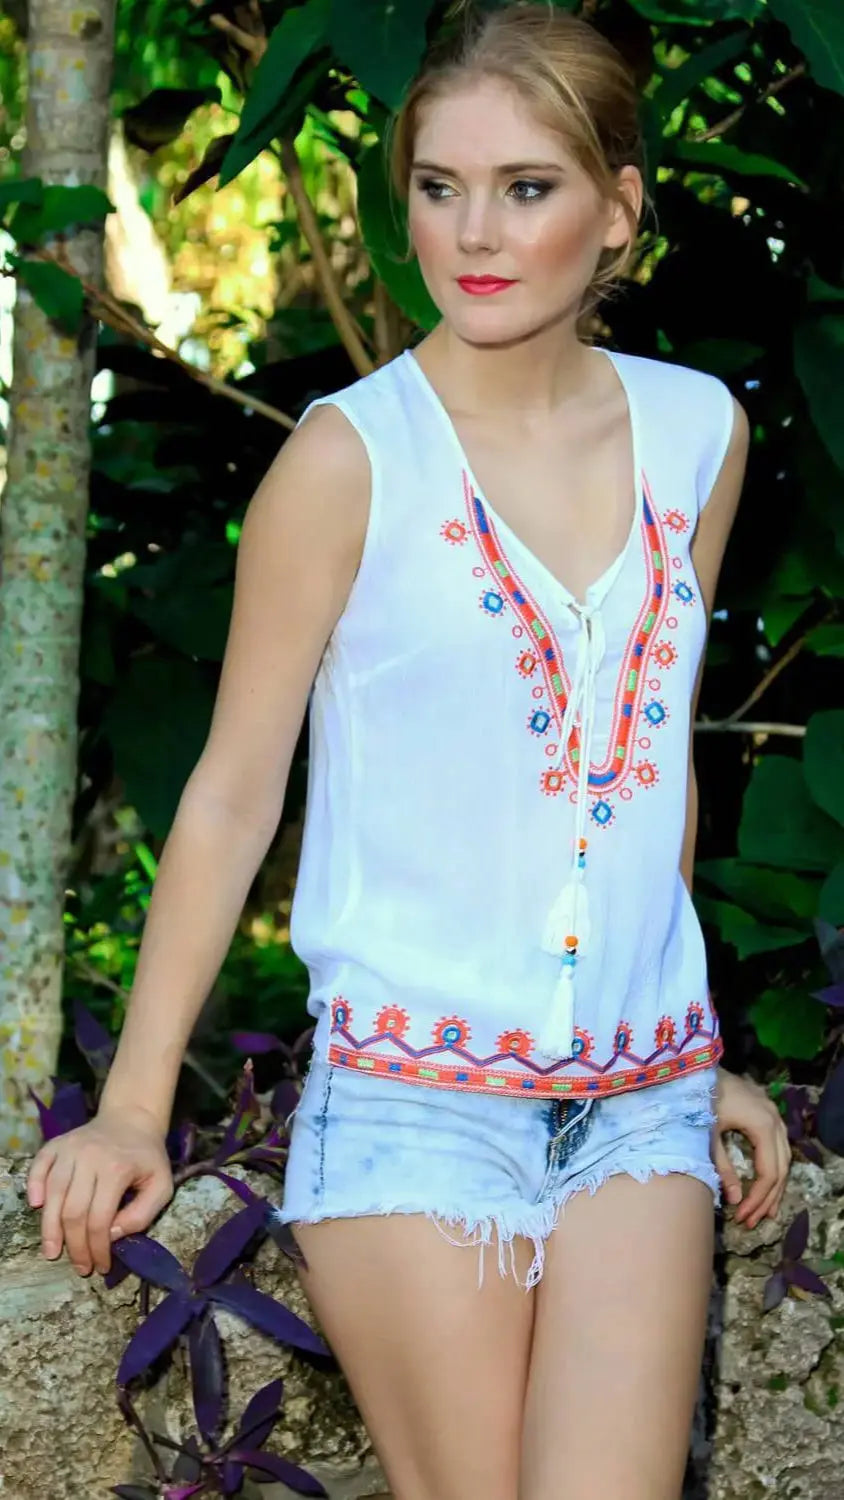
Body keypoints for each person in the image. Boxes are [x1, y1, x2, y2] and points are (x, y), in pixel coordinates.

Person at [28, 4, 791, 1497]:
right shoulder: (346, 461)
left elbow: (649, 757)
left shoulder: (700, 432)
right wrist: (132, 1103)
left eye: (526, 188)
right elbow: (236, 788)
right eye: (439, 187)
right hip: (414, 1103)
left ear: (620, 207)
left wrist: (684, 1040)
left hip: (640, 1105)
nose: (473, 233)